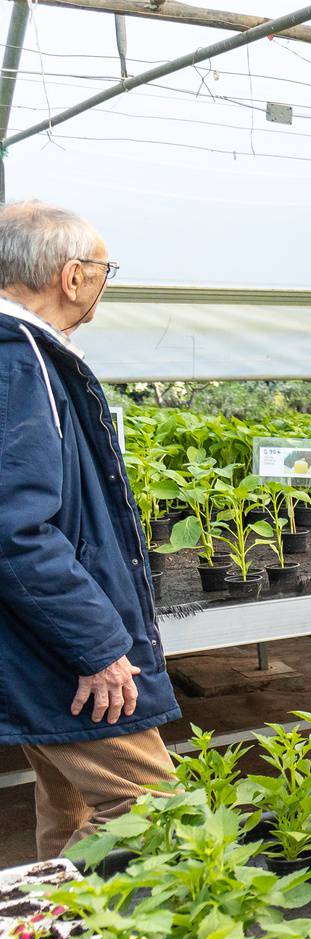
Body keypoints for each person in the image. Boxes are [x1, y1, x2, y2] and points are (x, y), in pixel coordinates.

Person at [0, 201, 178, 857]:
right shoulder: (18, 364)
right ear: (71, 277)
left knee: (70, 807)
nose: (106, 281)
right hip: (56, 644)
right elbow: (14, 529)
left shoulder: (23, 357)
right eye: (105, 269)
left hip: (32, 634)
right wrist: (99, 645)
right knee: (149, 810)